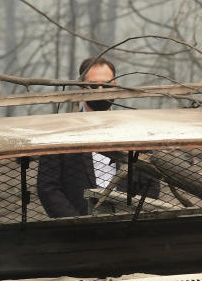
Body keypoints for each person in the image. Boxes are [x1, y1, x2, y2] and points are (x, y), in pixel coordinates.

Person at [37, 56, 160, 217]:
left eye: (107, 84)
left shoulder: (135, 133)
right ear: (82, 88)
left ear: (115, 85)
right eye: (94, 86)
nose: (101, 90)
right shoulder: (59, 133)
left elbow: (150, 183)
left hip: (128, 226)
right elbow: (48, 187)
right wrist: (76, 224)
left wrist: (132, 219)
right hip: (76, 231)